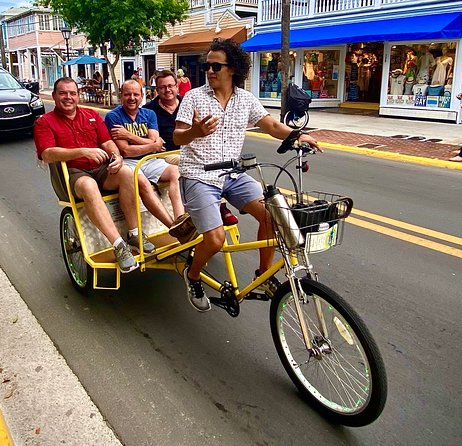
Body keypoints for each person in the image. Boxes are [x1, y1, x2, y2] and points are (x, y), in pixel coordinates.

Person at [172, 38, 319, 312]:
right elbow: (178, 136)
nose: (210, 70)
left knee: (274, 215)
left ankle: (263, 276)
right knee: (215, 240)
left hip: (232, 173)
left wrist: (299, 136)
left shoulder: (246, 100)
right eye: (208, 65)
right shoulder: (194, 97)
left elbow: (272, 126)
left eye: (216, 65)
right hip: (199, 175)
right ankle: (192, 275)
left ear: (233, 69)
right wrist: (195, 132)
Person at [34, 77, 161, 273]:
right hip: (73, 173)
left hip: (100, 168)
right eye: (63, 93)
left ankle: (134, 233)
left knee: (127, 172)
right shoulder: (45, 122)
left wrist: (117, 156)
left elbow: (108, 143)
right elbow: (47, 153)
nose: (68, 97)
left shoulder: (91, 115)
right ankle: (119, 245)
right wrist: (82, 151)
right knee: (89, 186)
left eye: (72, 93)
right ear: (54, 96)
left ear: (77, 96)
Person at [143, 70, 238, 226]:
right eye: (162, 87)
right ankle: (186, 220)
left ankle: (219, 205)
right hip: (167, 154)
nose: (167, 90)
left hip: (192, 150)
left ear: (177, 85)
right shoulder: (149, 110)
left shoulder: (188, 102)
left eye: (170, 86)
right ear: (157, 90)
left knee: (215, 161)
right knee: (190, 162)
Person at [105, 79, 187, 247]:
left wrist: (129, 136)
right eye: (127, 94)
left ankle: (180, 221)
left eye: (136, 94)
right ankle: (173, 228)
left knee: (175, 172)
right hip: (128, 163)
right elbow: (126, 150)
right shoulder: (113, 116)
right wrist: (152, 145)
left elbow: (155, 141)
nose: (132, 98)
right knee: (141, 181)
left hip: (149, 160)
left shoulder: (149, 114)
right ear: (121, 96)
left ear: (142, 96)